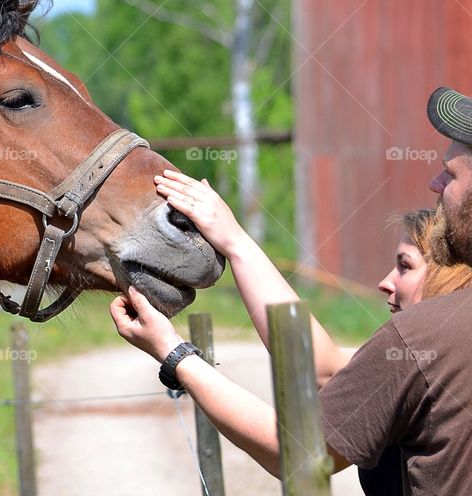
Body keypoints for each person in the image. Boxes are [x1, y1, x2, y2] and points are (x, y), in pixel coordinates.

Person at [110, 86, 472, 494]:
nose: (435, 183)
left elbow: (297, 451)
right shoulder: (429, 348)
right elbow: (328, 371)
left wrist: (176, 355)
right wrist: (235, 241)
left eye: (453, 173)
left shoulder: (427, 336)